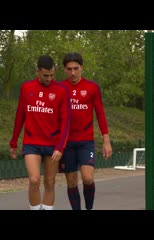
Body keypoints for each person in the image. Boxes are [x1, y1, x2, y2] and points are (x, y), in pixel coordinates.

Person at [9, 55, 71, 210]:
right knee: (34, 180)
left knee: (50, 182)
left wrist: (60, 147)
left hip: (53, 145)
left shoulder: (62, 91)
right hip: (32, 143)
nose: (49, 78)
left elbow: (66, 122)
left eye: (52, 75)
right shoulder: (26, 88)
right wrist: (13, 141)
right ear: (37, 71)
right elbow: (20, 116)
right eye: (45, 75)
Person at [59, 52, 112, 210]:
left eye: (76, 68)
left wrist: (106, 140)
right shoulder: (60, 88)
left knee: (88, 178)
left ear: (82, 67)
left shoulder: (92, 87)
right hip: (65, 143)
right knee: (71, 181)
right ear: (64, 70)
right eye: (69, 69)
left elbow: (100, 114)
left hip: (86, 142)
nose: (73, 72)